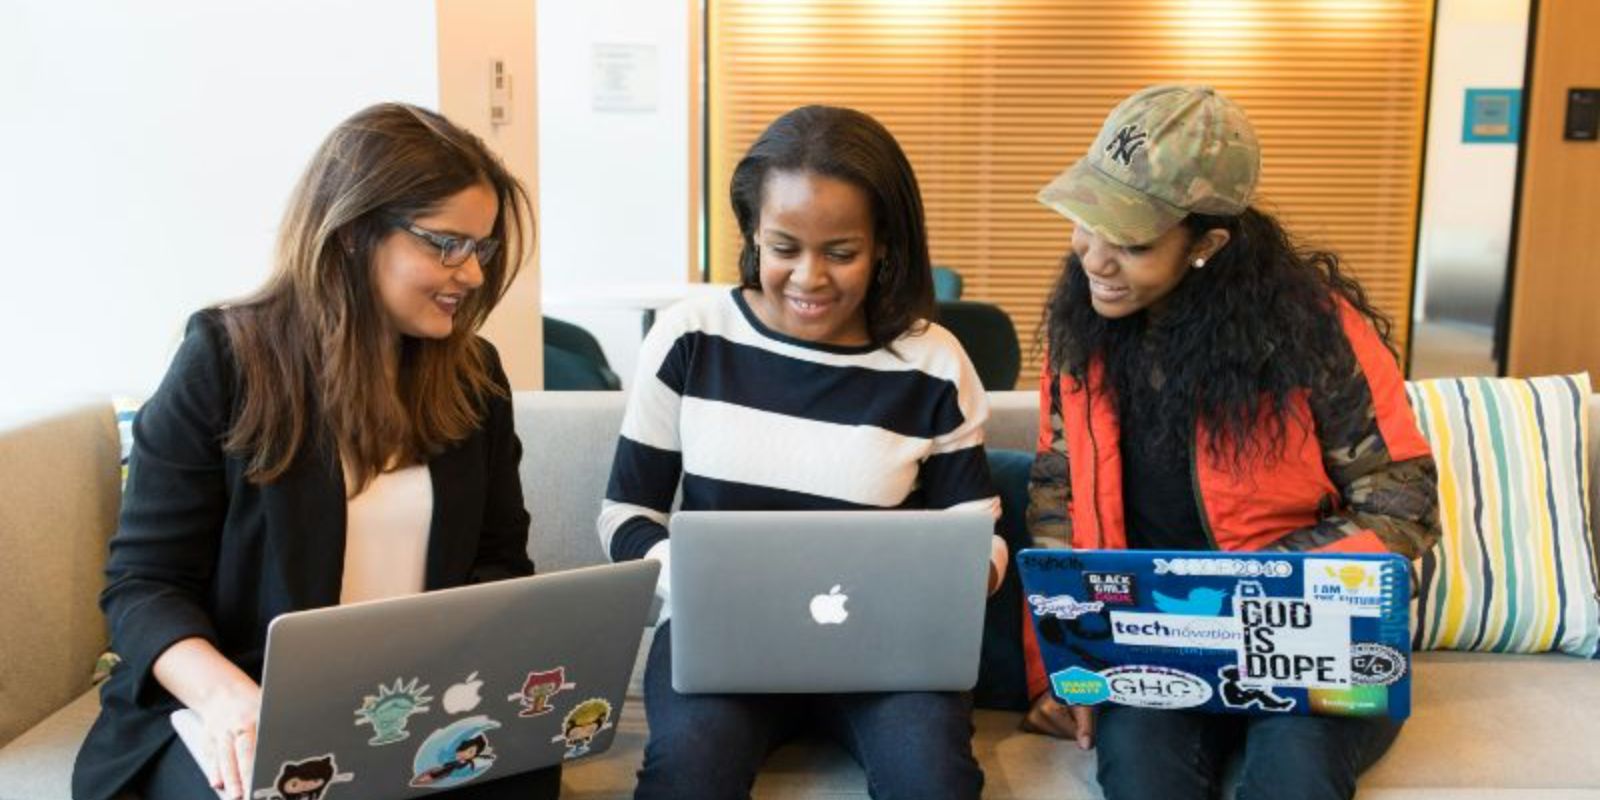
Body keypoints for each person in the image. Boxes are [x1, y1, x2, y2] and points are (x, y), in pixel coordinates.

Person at [71, 103, 560, 800]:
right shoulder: (224, 360)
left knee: (523, 775)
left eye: (479, 249)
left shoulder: (474, 379)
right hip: (236, 705)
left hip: (409, 708)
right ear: (356, 234)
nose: (473, 274)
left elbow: (500, 561)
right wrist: (228, 700)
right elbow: (144, 585)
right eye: (446, 244)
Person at [1019, 85, 1441, 800]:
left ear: (1208, 244)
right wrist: (1067, 670)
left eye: (1132, 241)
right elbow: (1057, 497)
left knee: (1295, 779)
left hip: (1314, 642)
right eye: (1086, 222)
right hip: (1152, 644)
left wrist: (1244, 594)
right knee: (1142, 779)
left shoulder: (1316, 336)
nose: (1094, 257)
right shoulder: (1080, 335)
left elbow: (1403, 506)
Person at [598, 105, 1006, 800]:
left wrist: (962, 583)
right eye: (783, 247)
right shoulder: (690, 337)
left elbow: (982, 535)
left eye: (841, 252)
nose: (809, 278)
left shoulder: (933, 362)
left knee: (933, 779)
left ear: (885, 246)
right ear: (752, 233)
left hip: (888, 655)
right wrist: (692, 579)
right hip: (719, 644)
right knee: (686, 774)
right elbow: (625, 515)